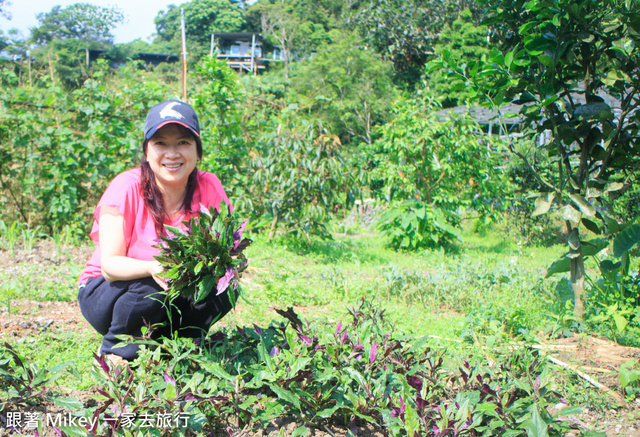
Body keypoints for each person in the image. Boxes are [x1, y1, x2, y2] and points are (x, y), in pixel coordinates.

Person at [78, 100, 235, 363]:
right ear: (147, 152)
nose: (172, 153)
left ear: (198, 152)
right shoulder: (125, 188)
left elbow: (225, 248)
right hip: (107, 291)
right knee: (153, 284)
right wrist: (153, 267)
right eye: (161, 143)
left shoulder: (208, 186)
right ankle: (117, 351)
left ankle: (180, 343)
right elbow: (110, 266)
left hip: (172, 287)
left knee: (223, 284)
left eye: (183, 142)